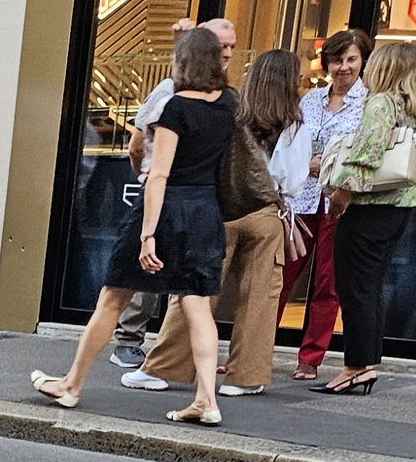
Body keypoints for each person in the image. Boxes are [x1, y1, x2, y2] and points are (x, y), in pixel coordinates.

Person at [33, 25, 232, 425]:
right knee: (198, 306)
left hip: (166, 209)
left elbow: (158, 175)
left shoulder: (175, 108)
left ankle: (71, 385)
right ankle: (207, 400)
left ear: (182, 62)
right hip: (205, 211)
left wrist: (147, 234)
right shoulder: (228, 103)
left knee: (113, 297)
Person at [126, 47, 297, 398]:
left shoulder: (230, 111)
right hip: (265, 213)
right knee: (259, 299)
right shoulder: (294, 123)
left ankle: (164, 368)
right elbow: (292, 179)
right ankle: (245, 378)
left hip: (218, 211)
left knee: (195, 292)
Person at [108, 18, 235, 362]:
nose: (226, 53)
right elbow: (140, 146)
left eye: (231, 47)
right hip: (184, 198)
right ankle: (130, 340)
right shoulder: (174, 95)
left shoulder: (222, 99)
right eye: (220, 46)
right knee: (146, 283)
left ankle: (91, 372)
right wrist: (144, 176)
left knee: (155, 284)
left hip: (185, 198)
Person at [314, 38, 416, 398]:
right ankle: (366, 363)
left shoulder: (381, 103)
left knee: (354, 288)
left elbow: (366, 153)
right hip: (399, 206)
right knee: (372, 286)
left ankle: (355, 367)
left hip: (369, 207)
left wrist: (340, 195)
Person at [286, 28, 369, 381]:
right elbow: (292, 144)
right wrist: (304, 163)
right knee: (280, 275)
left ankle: (311, 357)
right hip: (301, 196)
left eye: (352, 59)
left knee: (327, 284)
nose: (344, 67)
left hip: (337, 199)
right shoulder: (310, 100)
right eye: (337, 59)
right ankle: (253, 348)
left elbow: (364, 154)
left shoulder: (369, 103)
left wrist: (328, 165)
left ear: (363, 61)